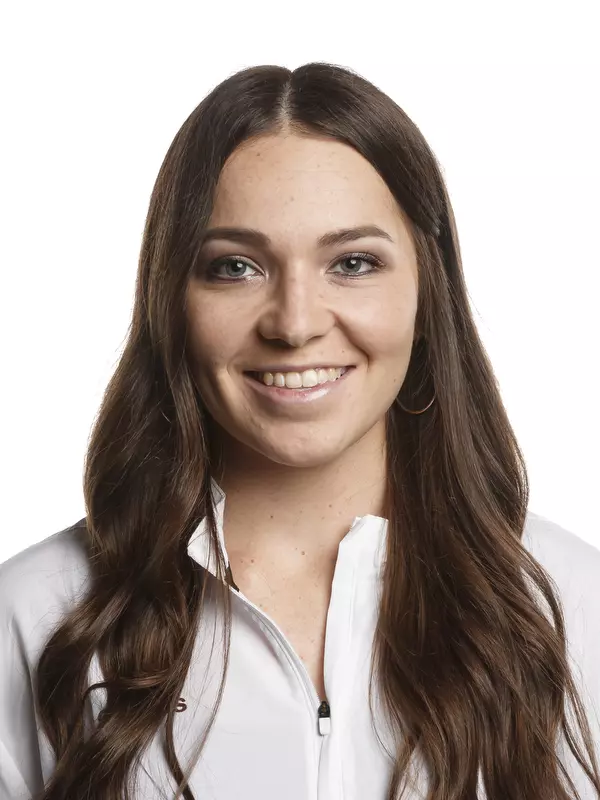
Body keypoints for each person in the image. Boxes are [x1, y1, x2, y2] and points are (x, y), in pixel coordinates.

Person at [1, 62, 599, 800]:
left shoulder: (573, 608)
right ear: (171, 297)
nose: (295, 322)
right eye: (235, 267)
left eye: (352, 262)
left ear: (425, 289)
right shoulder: (32, 617)